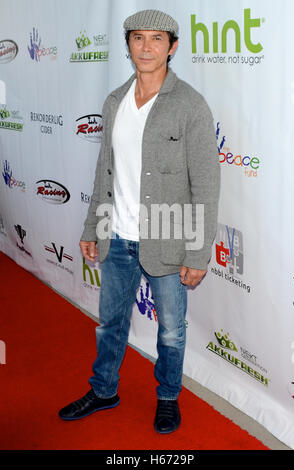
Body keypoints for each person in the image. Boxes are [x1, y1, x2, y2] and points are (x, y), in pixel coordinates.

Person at [59, 9, 220, 434]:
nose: (146, 47)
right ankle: (104, 389)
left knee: (170, 331)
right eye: (138, 38)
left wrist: (199, 251)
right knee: (110, 322)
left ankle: (167, 397)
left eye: (156, 38)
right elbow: (103, 171)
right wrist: (91, 227)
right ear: (127, 44)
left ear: (173, 46)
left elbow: (205, 186)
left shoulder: (191, 106)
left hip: (167, 239)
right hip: (117, 236)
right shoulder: (114, 101)